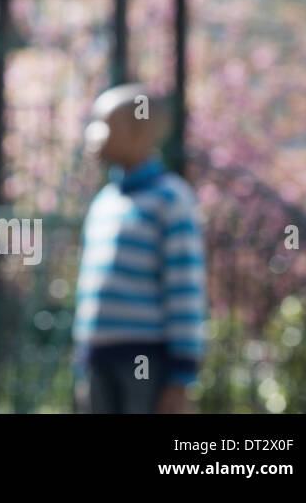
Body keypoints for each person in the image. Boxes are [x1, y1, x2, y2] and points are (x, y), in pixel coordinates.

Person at [73, 84, 207, 414]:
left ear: (138, 132)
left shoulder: (171, 200)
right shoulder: (105, 202)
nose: (92, 132)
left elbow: (185, 290)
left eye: (103, 123)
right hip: (98, 357)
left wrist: (181, 377)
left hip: (145, 359)